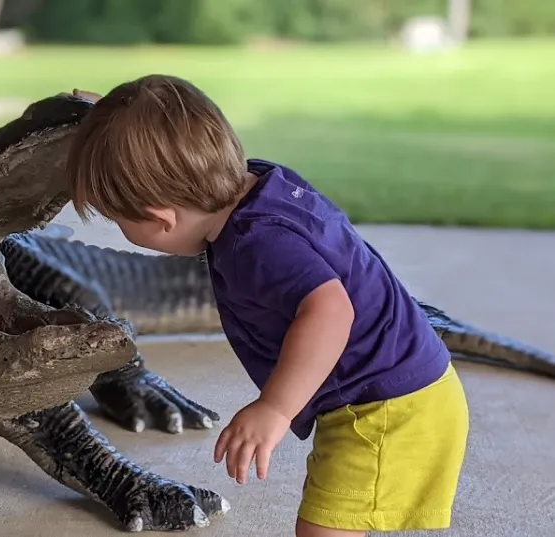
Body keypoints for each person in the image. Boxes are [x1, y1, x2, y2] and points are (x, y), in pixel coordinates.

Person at [62, 76, 469, 537]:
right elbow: (170, 132)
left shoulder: (256, 247)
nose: (119, 229)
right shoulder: (259, 182)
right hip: (394, 387)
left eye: (117, 220)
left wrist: (274, 409)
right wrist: (108, 123)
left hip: (385, 409)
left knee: (323, 529)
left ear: (160, 221)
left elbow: (332, 312)